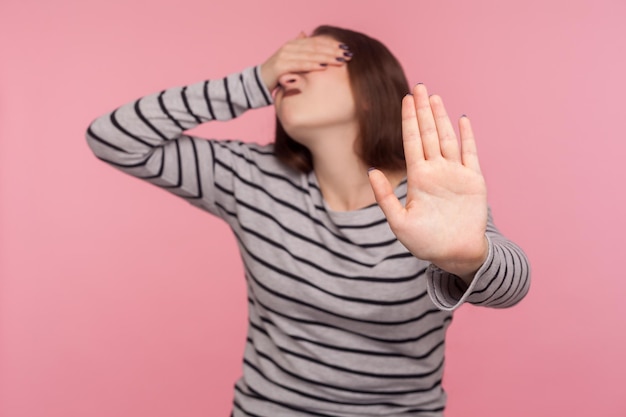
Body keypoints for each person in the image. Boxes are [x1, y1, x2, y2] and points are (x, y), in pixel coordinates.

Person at [86, 25, 530, 417]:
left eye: (315, 61)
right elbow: (111, 137)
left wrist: (469, 256)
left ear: (372, 88)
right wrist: (253, 81)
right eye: (282, 70)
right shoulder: (250, 177)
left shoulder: (431, 198)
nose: (288, 75)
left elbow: (513, 286)